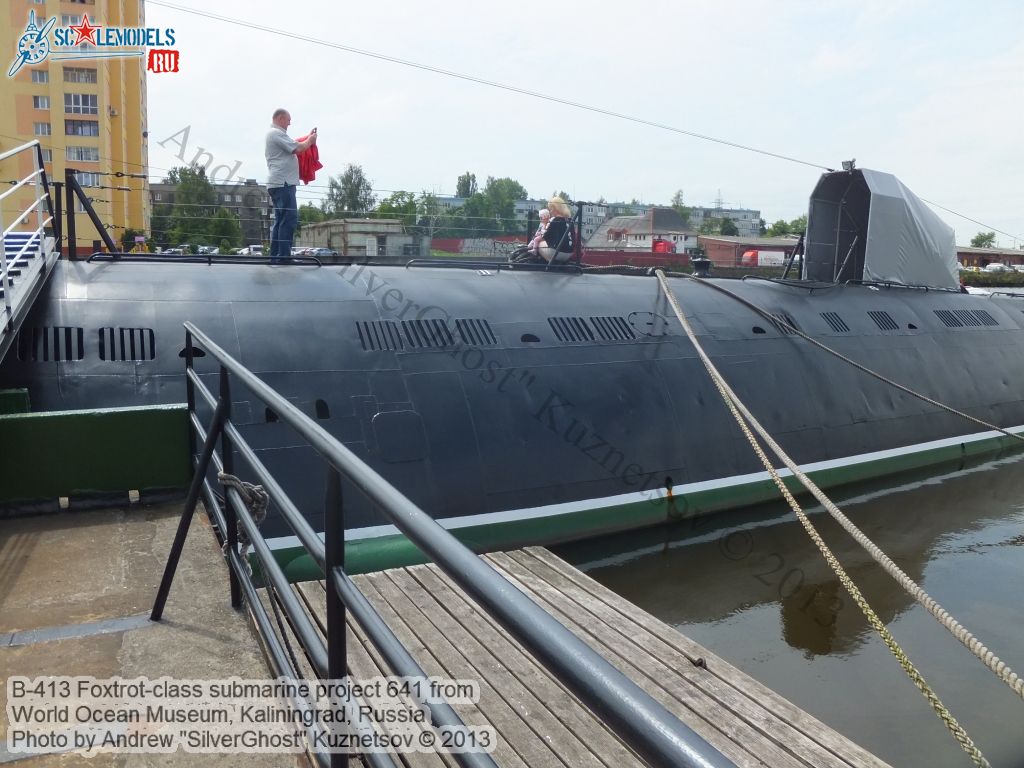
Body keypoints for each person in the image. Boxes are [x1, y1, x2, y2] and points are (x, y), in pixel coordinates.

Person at [265, 108, 317, 263]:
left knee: (280, 220)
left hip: (278, 182)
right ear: (280, 118)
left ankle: (276, 256)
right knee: (289, 219)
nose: (290, 123)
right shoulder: (275, 134)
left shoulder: (274, 135)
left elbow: (294, 144)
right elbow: (297, 148)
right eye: (288, 120)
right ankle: (284, 256)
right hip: (283, 183)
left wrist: (308, 138)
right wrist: (310, 140)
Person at [537, 197, 574, 263]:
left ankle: (549, 262)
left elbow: (546, 237)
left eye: (551, 209)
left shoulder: (556, 220)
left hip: (557, 253)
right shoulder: (570, 220)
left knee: (539, 243)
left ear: (556, 209)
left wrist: (544, 226)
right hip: (569, 253)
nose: (550, 212)